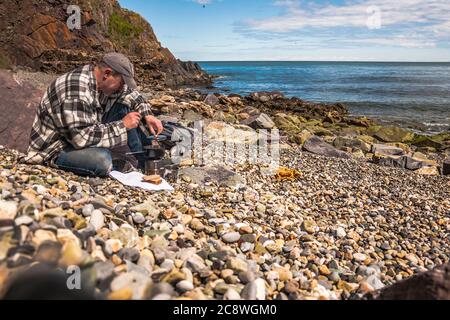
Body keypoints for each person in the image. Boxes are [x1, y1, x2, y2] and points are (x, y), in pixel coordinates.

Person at [20, 52, 163, 177]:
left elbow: (132, 95)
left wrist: (148, 115)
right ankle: (135, 167)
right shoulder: (76, 88)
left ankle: (144, 164)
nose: (122, 88)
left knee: (127, 108)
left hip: (84, 132)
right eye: (121, 83)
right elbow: (80, 138)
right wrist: (122, 125)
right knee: (102, 161)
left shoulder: (98, 82)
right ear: (107, 74)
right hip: (58, 148)